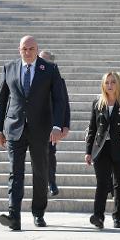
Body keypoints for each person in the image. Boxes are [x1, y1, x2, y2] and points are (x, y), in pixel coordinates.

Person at [0, 35, 65, 230]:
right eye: (24, 49)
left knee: (40, 172)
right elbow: (2, 101)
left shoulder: (49, 69)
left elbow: (59, 100)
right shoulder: (9, 68)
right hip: (15, 128)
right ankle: (13, 216)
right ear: (19, 49)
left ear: (37, 49)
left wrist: (58, 126)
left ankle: (38, 213)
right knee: (15, 173)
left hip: (41, 129)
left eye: (31, 49)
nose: (28, 52)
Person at [85, 72, 120, 229]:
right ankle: (98, 217)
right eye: (107, 82)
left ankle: (117, 217)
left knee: (119, 184)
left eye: (113, 82)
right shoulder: (97, 103)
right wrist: (88, 151)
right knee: (102, 183)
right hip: (101, 149)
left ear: (118, 84)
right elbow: (92, 129)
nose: (109, 85)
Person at [38, 51, 71, 196]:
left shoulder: (59, 80)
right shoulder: (31, 78)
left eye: (45, 60)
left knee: (50, 154)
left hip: (52, 124)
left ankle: (51, 182)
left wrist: (65, 124)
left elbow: (64, 103)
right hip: (35, 123)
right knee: (38, 155)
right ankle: (41, 183)